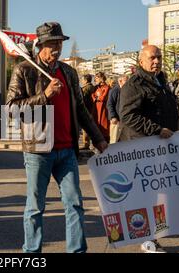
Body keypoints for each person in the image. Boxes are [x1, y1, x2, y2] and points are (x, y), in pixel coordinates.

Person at [7, 22, 107, 253]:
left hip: (67, 149)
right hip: (38, 150)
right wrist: (45, 95)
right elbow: (11, 108)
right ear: (40, 45)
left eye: (60, 43)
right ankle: (32, 253)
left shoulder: (68, 72)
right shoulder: (25, 70)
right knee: (35, 208)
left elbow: (81, 110)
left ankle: (77, 250)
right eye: (52, 43)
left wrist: (97, 137)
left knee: (75, 204)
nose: (57, 48)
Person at [119, 45, 179, 253]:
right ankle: (146, 239)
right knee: (145, 196)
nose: (157, 61)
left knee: (157, 195)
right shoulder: (134, 84)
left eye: (159, 57)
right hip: (140, 148)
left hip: (159, 147)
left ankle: (153, 235)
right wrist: (156, 129)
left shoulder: (160, 81)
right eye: (152, 58)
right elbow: (127, 115)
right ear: (141, 61)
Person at [107, 75, 128, 144]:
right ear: (120, 81)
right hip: (116, 120)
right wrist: (113, 117)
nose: (128, 82)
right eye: (126, 80)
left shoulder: (127, 90)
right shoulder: (114, 90)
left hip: (125, 120)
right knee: (114, 141)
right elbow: (110, 104)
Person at [91, 72, 111, 143]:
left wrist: (97, 97)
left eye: (96, 78)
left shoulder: (107, 87)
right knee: (96, 123)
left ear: (101, 78)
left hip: (103, 109)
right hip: (96, 108)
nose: (95, 80)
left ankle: (105, 140)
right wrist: (97, 97)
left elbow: (103, 97)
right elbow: (93, 95)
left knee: (103, 123)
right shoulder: (96, 87)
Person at [80, 74, 96, 149]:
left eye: (82, 80)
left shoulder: (85, 89)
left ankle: (86, 144)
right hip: (93, 110)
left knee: (85, 128)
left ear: (86, 80)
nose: (81, 81)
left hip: (87, 110)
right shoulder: (93, 87)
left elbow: (83, 100)